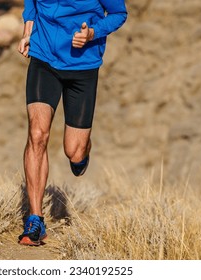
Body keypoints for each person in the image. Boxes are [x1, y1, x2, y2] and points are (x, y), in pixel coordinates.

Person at [17, 0, 127, 246]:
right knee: (37, 134)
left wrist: (92, 33)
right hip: (43, 59)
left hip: (83, 66)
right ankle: (35, 220)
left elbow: (119, 13)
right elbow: (31, 3)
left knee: (74, 152)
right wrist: (27, 32)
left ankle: (84, 149)